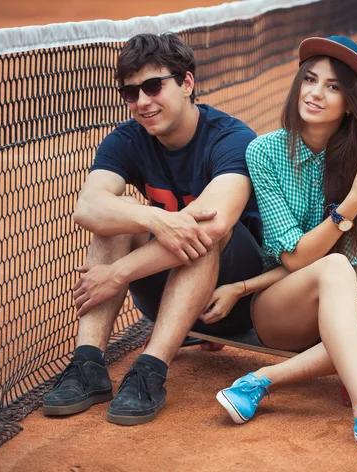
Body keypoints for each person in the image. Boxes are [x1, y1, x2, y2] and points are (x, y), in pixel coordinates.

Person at [202, 36, 357, 457]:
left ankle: (261, 381)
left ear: (350, 101)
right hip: (284, 301)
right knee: (334, 266)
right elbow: (298, 258)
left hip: (351, 288)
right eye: (309, 80)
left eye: (332, 86)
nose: (315, 93)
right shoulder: (265, 152)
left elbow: (348, 262)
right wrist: (354, 201)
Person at [42, 33, 263, 426]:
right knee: (118, 212)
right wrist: (152, 217)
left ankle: (150, 371)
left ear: (187, 83)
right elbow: (87, 208)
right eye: (130, 92)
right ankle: (88, 364)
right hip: (165, 297)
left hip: (234, 298)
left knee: (208, 230)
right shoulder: (127, 139)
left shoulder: (232, 138)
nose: (142, 102)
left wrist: (117, 274)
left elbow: (212, 227)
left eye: (153, 86)